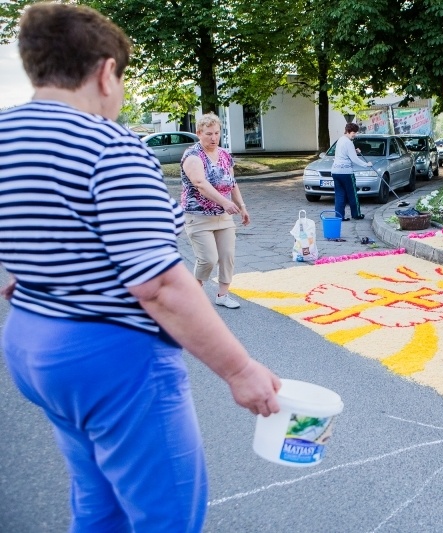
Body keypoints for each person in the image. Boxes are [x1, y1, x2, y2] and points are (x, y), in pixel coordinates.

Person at [0, 4, 281, 531]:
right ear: (106, 72)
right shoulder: (110, 146)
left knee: (98, 502)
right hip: (110, 357)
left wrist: (33, 272)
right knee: (165, 516)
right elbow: (158, 286)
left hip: (32, 343)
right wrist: (240, 371)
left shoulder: (6, 136)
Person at [181, 112, 249, 309]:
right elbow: (200, 184)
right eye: (209, 134)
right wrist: (225, 203)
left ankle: (223, 295)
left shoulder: (225, 155)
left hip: (223, 217)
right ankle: (194, 292)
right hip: (198, 216)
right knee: (208, 259)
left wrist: (242, 206)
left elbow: (232, 182)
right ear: (199, 133)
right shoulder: (193, 156)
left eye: (217, 133)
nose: (213, 138)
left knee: (227, 256)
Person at [331, 123, 371, 221]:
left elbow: (344, 153)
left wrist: (354, 151)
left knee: (339, 194)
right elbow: (354, 159)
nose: (355, 135)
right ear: (348, 131)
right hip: (346, 172)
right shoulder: (349, 142)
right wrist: (367, 164)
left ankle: (339, 216)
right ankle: (356, 214)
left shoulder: (340, 140)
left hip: (335, 171)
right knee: (352, 194)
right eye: (354, 133)